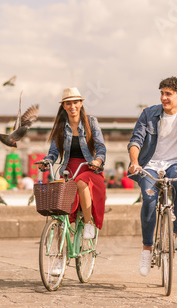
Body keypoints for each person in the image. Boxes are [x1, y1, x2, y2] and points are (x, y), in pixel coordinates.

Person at [127, 76, 177, 277]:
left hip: (175, 164)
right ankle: (146, 250)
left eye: (168, 94)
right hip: (149, 164)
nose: (164, 98)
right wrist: (135, 162)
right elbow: (136, 141)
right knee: (149, 199)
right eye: (162, 93)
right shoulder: (148, 114)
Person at [39, 87, 107, 241]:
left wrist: (98, 160)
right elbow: (53, 152)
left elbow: (101, 148)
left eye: (75, 102)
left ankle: (88, 223)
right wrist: (47, 161)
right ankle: (58, 254)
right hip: (69, 169)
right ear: (63, 106)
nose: (72, 106)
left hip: (89, 168)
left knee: (82, 183)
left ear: (81, 103)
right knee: (57, 203)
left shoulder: (91, 122)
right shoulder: (61, 126)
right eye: (68, 103)